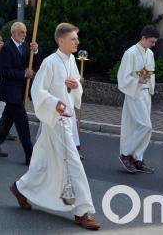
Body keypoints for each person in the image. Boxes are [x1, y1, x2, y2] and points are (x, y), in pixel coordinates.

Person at [9, 23, 101, 231]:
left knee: (44, 162)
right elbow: (37, 90)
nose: (77, 42)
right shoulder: (50, 62)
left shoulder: (71, 61)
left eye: (77, 38)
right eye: (73, 39)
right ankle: (82, 210)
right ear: (61, 41)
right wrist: (54, 103)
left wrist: (75, 86)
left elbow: (75, 85)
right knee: (73, 164)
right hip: (56, 120)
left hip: (67, 119)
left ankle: (20, 188)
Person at [0, 21, 39, 165]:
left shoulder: (25, 46)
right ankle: (30, 155)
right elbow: (5, 71)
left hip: (21, 90)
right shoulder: (6, 48)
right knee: (22, 122)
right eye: (22, 32)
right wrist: (23, 74)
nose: (24, 35)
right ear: (13, 33)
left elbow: (33, 63)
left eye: (25, 32)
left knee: (8, 118)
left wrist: (35, 52)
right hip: (10, 92)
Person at [117, 25, 159, 174]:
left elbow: (150, 73)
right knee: (145, 126)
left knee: (139, 127)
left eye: (155, 42)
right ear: (143, 38)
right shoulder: (130, 53)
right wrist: (137, 81)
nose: (153, 44)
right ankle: (125, 154)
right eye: (152, 41)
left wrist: (148, 84)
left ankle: (137, 159)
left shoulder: (150, 53)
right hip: (135, 93)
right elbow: (122, 77)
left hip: (146, 94)